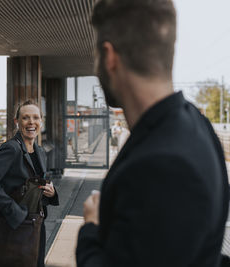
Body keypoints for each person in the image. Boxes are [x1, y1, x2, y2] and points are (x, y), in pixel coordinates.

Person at [76, 0, 229, 266]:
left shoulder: (161, 166)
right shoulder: (195, 123)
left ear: (110, 57)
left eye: (96, 57)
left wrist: (91, 228)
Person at [0, 100, 59, 267]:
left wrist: (51, 192)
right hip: (14, 227)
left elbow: (35, 181)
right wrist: (14, 211)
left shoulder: (40, 151)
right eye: (25, 118)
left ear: (41, 121)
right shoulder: (11, 149)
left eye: (36, 117)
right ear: (17, 122)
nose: (31, 122)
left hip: (36, 224)